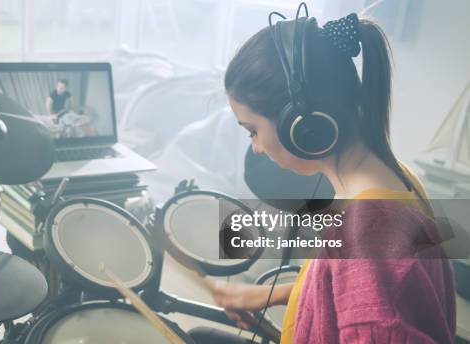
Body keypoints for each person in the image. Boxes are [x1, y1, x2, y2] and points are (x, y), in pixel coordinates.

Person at [188, 8, 456, 344]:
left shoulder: (366, 233)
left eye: (252, 130)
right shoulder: (396, 178)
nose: (255, 147)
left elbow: (374, 305)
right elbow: (370, 291)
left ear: (302, 127)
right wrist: (277, 294)